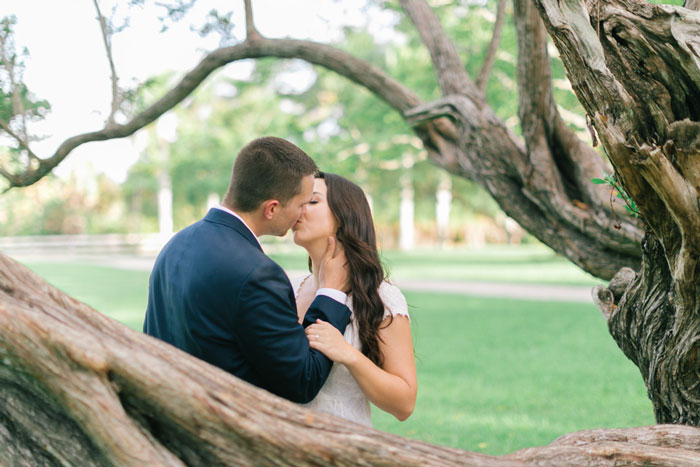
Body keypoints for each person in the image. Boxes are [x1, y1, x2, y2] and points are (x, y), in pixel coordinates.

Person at [143, 137, 352, 403]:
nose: (301, 215)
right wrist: (331, 293)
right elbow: (302, 380)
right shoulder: (258, 274)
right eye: (301, 205)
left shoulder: (176, 244)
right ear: (272, 208)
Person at [291, 172, 417, 426]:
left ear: (344, 216)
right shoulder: (290, 289)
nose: (298, 209)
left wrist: (348, 354)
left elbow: (405, 403)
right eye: (298, 200)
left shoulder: (382, 298)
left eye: (312, 201)